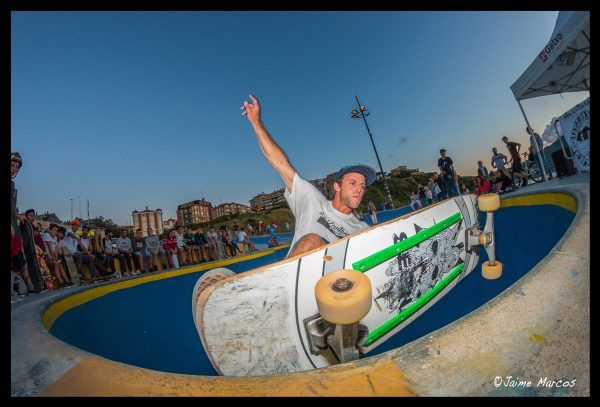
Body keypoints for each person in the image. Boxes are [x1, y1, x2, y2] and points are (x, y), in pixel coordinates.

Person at [241, 94, 375, 257]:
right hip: (298, 275)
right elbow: (279, 162)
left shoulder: (362, 230)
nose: (359, 189)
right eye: (353, 183)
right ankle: (284, 279)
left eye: (362, 186)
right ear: (337, 186)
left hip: (336, 280)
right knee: (312, 240)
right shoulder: (311, 200)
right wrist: (256, 122)